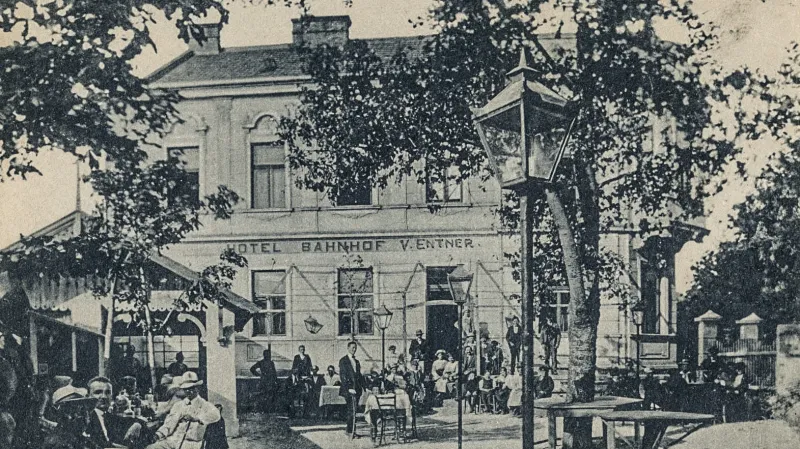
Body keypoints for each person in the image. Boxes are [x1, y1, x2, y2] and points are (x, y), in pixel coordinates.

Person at [147, 371, 220, 449]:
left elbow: (216, 415)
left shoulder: (204, 405)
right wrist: (158, 434)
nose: (188, 391)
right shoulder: (178, 405)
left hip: (190, 444)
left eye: (191, 388)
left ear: (197, 388)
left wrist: (197, 418)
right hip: (173, 440)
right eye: (186, 389)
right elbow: (169, 424)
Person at [85, 376, 143, 449]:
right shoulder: (85, 418)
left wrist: (137, 424)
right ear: (88, 396)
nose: (104, 396)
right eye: (98, 392)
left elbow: (135, 421)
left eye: (108, 392)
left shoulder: (108, 416)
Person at [42, 385, 102, 449]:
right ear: (61, 414)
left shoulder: (84, 441)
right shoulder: (58, 444)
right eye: (73, 409)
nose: (84, 416)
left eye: (84, 409)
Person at [338, 341, 365, 436]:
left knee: (354, 409)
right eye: (352, 348)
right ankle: (350, 431)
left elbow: (359, 375)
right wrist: (348, 388)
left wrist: (365, 387)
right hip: (348, 389)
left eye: (355, 348)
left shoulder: (356, 361)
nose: (354, 349)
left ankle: (351, 430)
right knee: (351, 409)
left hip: (356, 389)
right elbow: (343, 376)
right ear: (348, 348)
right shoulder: (343, 360)